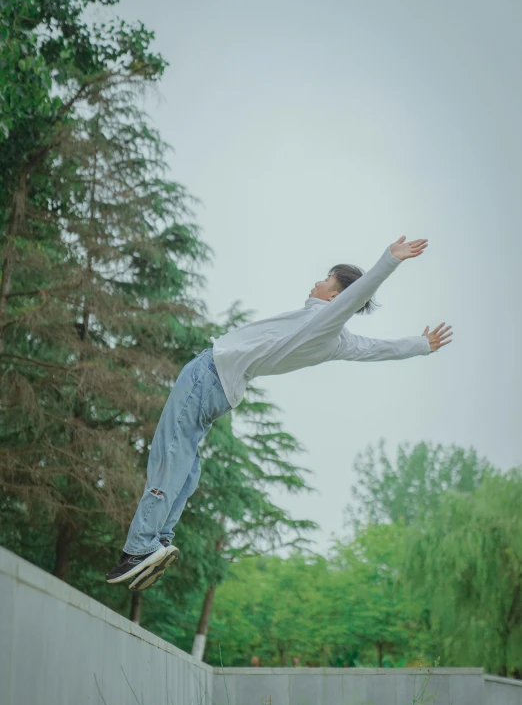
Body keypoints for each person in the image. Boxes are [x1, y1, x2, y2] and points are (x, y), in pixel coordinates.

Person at [106, 236, 452, 590]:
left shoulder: (325, 321)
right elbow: (377, 349)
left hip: (207, 375)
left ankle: (138, 548)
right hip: (223, 391)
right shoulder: (338, 340)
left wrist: (388, 261)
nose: (316, 283)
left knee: (172, 455)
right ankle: (160, 539)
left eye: (325, 280)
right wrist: (420, 345)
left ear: (334, 297)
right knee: (187, 466)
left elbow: (356, 295)